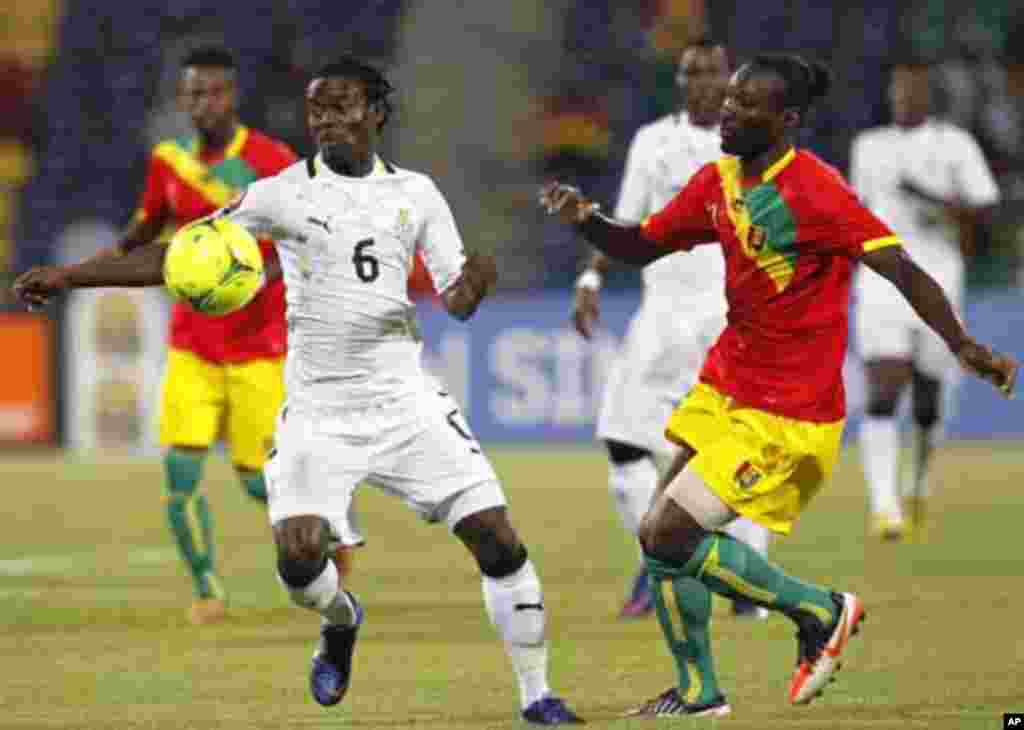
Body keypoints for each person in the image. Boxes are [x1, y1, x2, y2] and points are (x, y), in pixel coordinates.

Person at [15, 57, 583, 726]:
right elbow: (175, 253)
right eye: (317, 110)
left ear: (375, 112)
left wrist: (478, 279)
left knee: (498, 539)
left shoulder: (417, 194)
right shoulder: (281, 194)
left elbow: (457, 301)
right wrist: (72, 277)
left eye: (341, 107)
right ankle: (341, 621)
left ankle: (537, 696)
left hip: (405, 402)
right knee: (300, 560)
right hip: (319, 410)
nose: (327, 121)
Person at [540, 53, 1016, 717]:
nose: (727, 115)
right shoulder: (717, 179)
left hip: (788, 410)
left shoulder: (816, 191)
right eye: (729, 102)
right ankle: (700, 692)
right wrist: (587, 219)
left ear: (786, 120)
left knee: (671, 535)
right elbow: (643, 244)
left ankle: (821, 611)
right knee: (658, 534)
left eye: (746, 107)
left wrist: (963, 344)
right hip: (728, 385)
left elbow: (902, 269)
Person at [22, 46, 299, 624]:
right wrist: (75, 274)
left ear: (234, 94)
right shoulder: (168, 162)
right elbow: (141, 236)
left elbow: (304, 240)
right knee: (181, 470)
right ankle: (206, 589)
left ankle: (328, 530)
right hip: (192, 343)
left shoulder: (272, 160)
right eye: (194, 93)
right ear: (182, 99)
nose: (205, 103)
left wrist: (254, 276)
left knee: (257, 483)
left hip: (258, 347)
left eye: (215, 91)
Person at [572, 38, 770, 620]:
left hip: (729, 318)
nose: (703, 81)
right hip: (662, 316)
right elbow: (627, 224)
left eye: (713, 71)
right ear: (680, 80)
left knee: (735, 452)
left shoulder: (754, 148)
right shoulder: (653, 141)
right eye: (691, 73)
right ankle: (665, 559)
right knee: (623, 441)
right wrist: (591, 279)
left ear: (732, 78)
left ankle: (745, 588)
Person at [850, 55, 1001, 541]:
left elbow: (985, 209)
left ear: (928, 94)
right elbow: (854, 211)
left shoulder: (955, 144)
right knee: (883, 386)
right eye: (897, 89)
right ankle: (884, 507)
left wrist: (931, 200)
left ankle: (916, 481)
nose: (904, 97)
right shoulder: (868, 146)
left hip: (938, 279)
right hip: (879, 283)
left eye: (913, 89)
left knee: (928, 401)